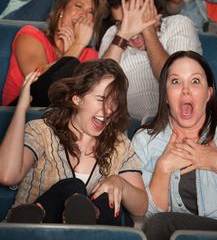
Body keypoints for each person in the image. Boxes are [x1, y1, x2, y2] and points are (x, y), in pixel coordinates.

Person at [0, 59, 148, 225]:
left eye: (114, 101)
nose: (109, 109)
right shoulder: (41, 131)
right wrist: (21, 108)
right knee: (73, 188)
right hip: (38, 232)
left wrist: (120, 183)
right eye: (101, 99)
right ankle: (38, 213)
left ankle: (90, 217)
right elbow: (7, 176)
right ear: (77, 99)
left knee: (107, 199)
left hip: (91, 236)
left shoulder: (119, 144)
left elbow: (141, 208)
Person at [132, 51, 217, 240]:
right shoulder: (145, 139)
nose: (186, 90)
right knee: (160, 223)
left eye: (195, 81)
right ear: (166, 96)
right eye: (176, 82)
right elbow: (144, 218)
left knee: (163, 224)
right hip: (173, 231)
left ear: (209, 93)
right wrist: (163, 169)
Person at [99, 0, 202, 119]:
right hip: (134, 130)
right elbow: (98, 86)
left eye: (134, 20)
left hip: (183, 121)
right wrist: (123, 34)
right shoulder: (114, 34)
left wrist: (148, 29)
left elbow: (173, 79)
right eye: (120, 23)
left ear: (150, 10)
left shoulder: (179, 24)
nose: (132, 30)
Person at [2, 0, 105, 107]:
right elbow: (40, 85)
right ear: (61, 10)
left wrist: (72, 51)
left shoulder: (91, 56)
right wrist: (75, 48)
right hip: (20, 114)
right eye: (78, 6)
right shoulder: (29, 36)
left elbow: (81, 102)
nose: (83, 15)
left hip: (60, 119)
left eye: (91, 12)